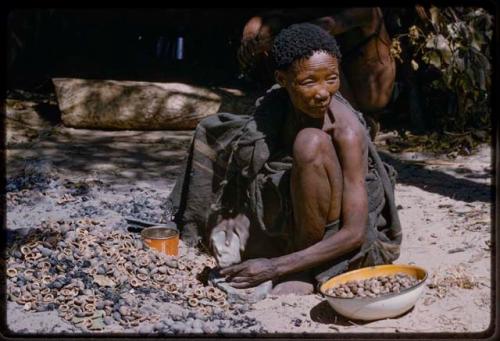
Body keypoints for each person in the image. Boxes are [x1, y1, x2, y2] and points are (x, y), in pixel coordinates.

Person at [167, 23, 401, 295]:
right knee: (213, 128)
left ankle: (302, 266)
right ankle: (249, 234)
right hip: (300, 200)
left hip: (337, 219)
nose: (323, 92)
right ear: (282, 79)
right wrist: (231, 213)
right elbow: (251, 159)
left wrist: (276, 267)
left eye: (332, 78)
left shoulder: (346, 131)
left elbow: (354, 232)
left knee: (309, 142)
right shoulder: (277, 104)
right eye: (309, 82)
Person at [237, 8, 397, 136]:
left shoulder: (366, 11)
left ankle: (352, 120)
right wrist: (251, 34)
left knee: (315, 52)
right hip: (343, 81)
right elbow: (277, 14)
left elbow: (321, 28)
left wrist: (269, 42)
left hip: (367, 97)